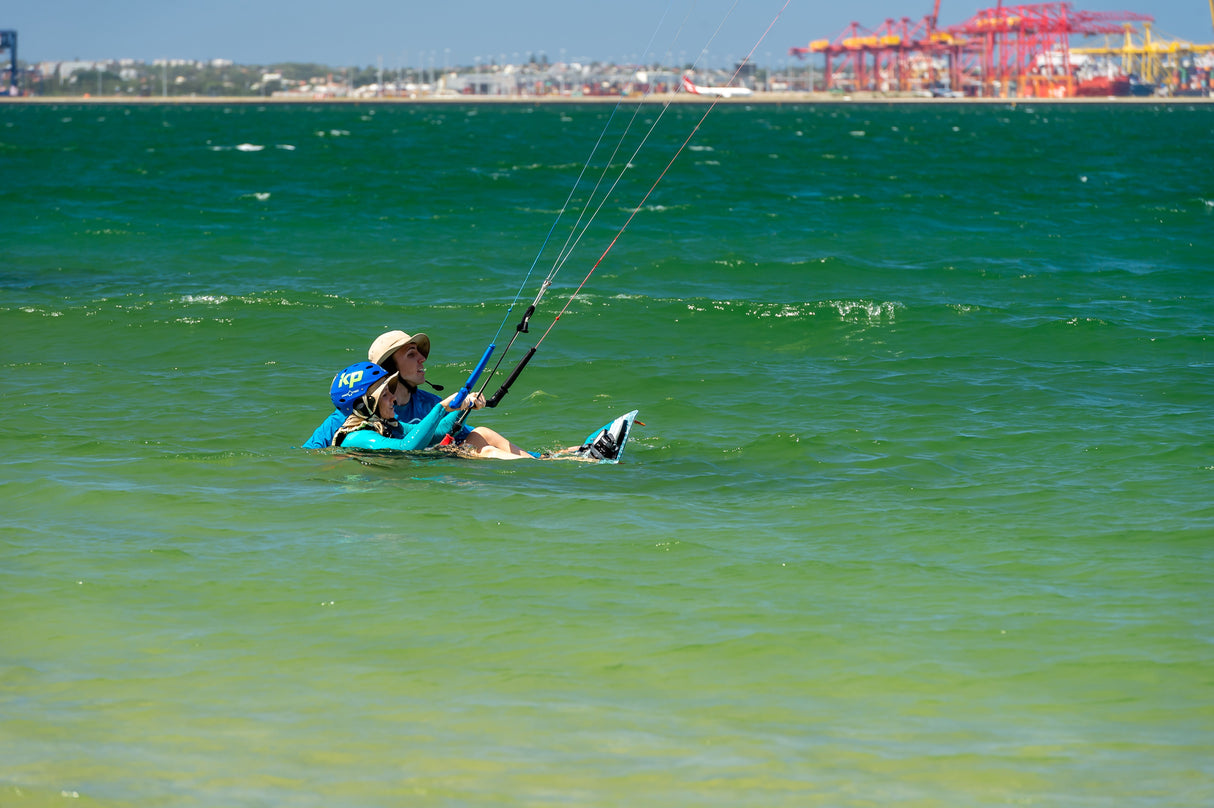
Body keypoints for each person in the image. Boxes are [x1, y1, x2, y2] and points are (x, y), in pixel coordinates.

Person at [304, 330, 535, 459]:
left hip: (425, 465)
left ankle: (541, 460)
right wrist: (443, 408)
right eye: (411, 354)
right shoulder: (351, 430)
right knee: (484, 452)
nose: (422, 360)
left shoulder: (389, 422)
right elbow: (407, 447)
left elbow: (442, 432)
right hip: (402, 479)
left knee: (481, 435)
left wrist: (461, 407)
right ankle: (539, 466)